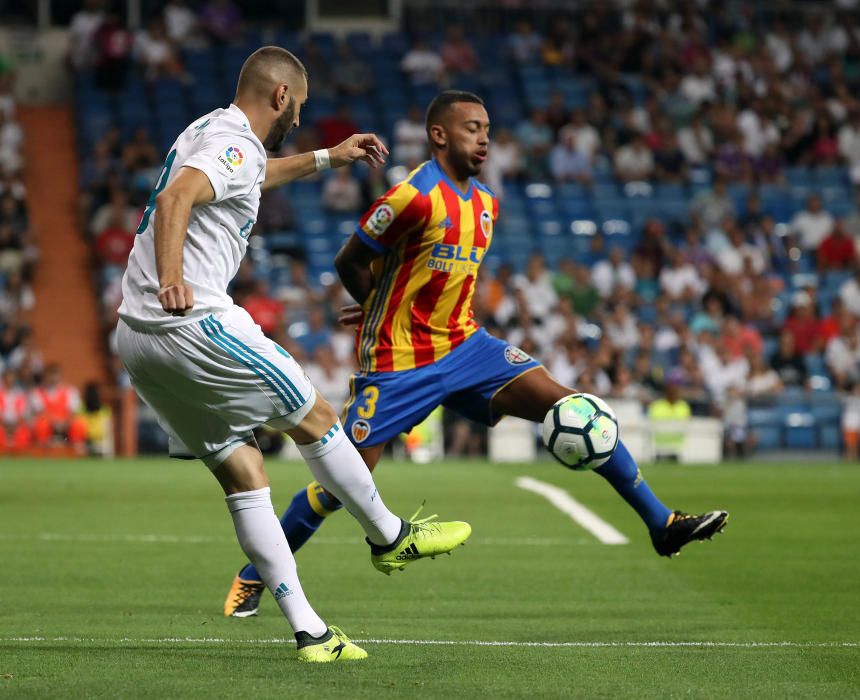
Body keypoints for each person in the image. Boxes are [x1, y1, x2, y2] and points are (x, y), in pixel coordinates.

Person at [225, 90, 729, 617]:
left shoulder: (486, 204)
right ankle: (254, 574)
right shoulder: (411, 196)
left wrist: (399, 295)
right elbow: (350, 260)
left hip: (468, 347)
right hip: (401, 363)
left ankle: (661, 524)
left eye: (487, 127)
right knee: (339, 485)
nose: (484, 137)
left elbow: (437, 277)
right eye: (472, 127)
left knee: (577, 410)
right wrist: (379, 304)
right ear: (439, 135)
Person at [116, 47, 471, 663]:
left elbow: (250, 174)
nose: (299, 120)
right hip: (193, 319)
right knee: (318, 419)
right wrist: (173, 276)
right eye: (298, 108)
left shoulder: (209, 129)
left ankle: (309, 631)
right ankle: (389, 536)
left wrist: (329, 158)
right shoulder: (233, 140)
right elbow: (178, 200)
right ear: (280, 97)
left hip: (138, 339)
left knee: (245, 473)